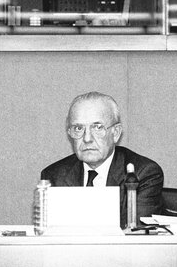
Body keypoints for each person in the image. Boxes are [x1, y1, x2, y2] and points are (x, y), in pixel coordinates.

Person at [41, 91, 164, 227]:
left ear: (116, 133)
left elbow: (137, 238)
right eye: (78, 128)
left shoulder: (142, 174)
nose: (87, 138)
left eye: (98, 127)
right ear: (70, 134)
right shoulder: (54, 176)